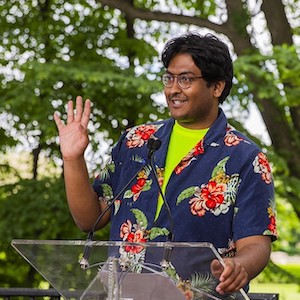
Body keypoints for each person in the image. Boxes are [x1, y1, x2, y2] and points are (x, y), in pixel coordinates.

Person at [54, 32, 277, 297]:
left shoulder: (246, 158)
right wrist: (72, 158)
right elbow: (89, 218)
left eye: (185, 79)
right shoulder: (136, 141)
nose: (173, 89)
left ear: (217, 87)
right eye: (169, 78)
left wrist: (240, 266)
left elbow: (256, 243)